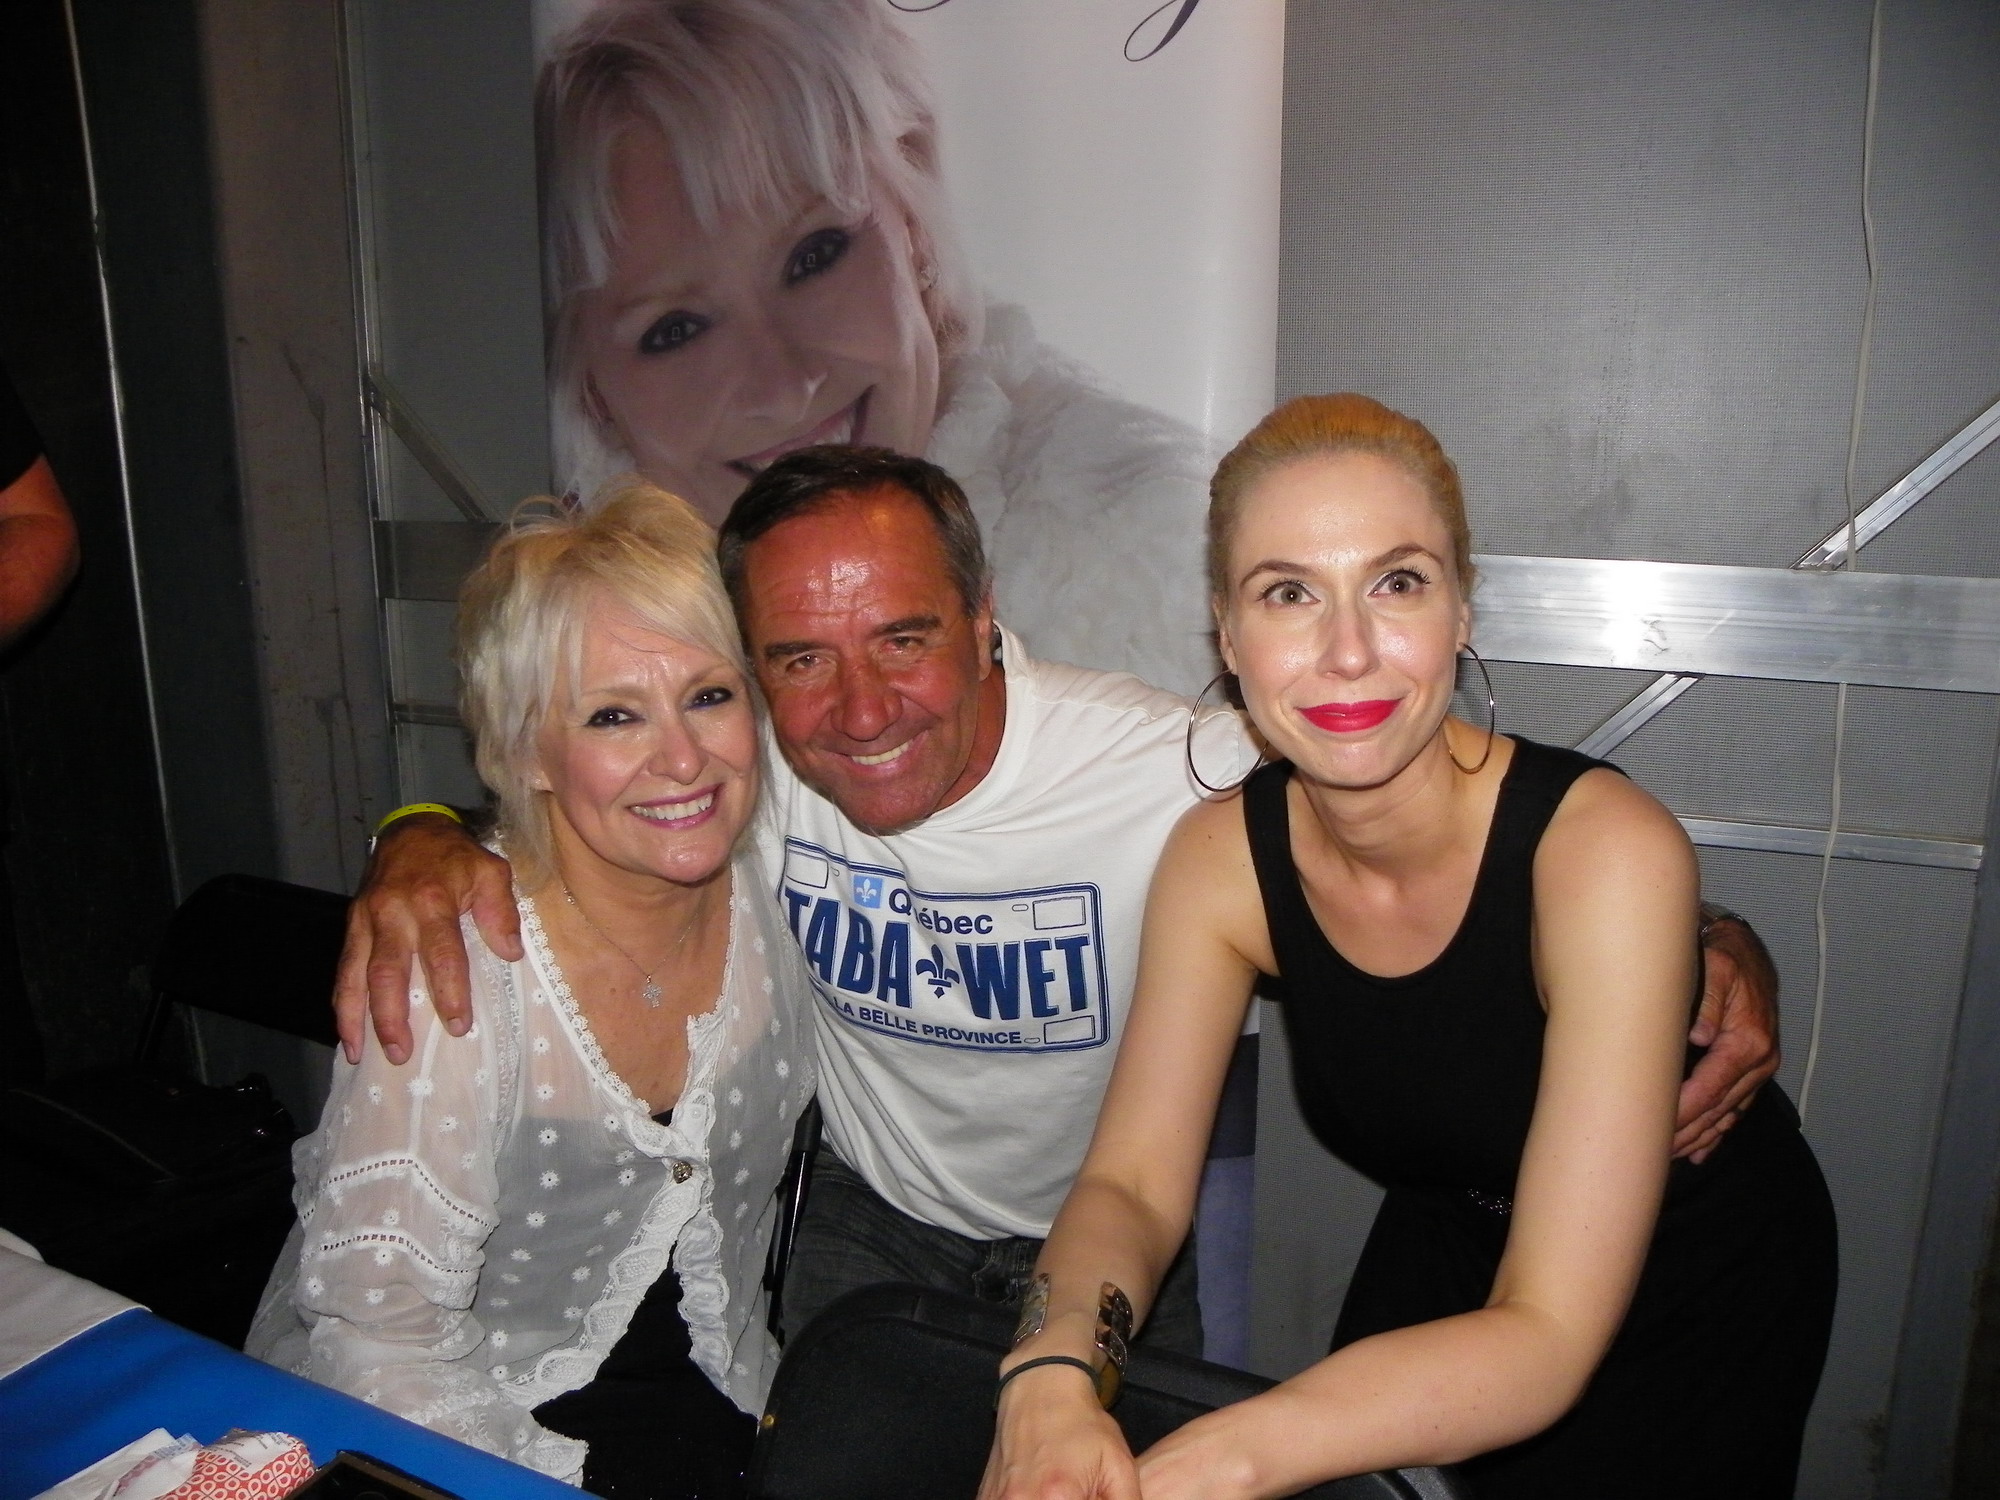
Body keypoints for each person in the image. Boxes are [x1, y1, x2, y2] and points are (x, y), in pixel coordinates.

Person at [337, 446, 1782, 1369]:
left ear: (984, 622)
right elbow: (566, 810)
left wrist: (1706, 938)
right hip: (866, 1224)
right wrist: (416, 838)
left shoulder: (1169, 771)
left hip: (1113, 1243)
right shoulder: (741, 767)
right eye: (800, 659)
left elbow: (1430, 813)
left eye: (905, 639)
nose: (860, 709)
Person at [981, 396, 1836, 1500]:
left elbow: (1546, 1333)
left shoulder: (1602, 852)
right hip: (1455, 1239)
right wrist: (1048, 1374)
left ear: (1460, 609)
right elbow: (1133, 1184)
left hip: (1690, 1275)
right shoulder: (1220, 861)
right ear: (1227, 636)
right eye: (1288, 593)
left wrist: (1201, 1466)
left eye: (1396, 583)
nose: (1347, 652)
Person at [249, 482, 815, 1495]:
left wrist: (412, 823)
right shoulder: (456, 969)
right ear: (524, 752)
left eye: (709, 695)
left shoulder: (778, 864)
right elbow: (377, 1341)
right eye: (613, 715)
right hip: (478, 1423)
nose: (683, 757)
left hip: (726, 1386)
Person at [538, 0, 1217, 694]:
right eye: (677, 329)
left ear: (912, 212)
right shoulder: (572, 651)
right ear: (590, 387)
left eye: (814, 257)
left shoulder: (1167, 582)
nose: (783, 386)